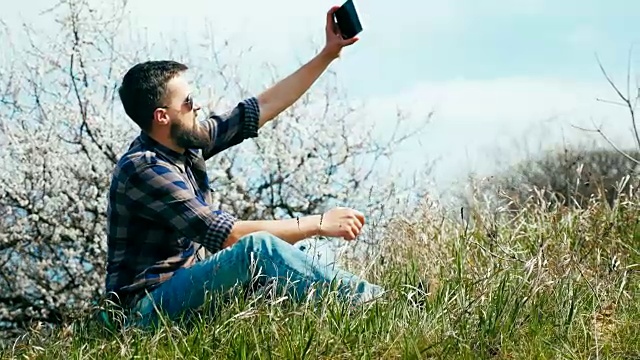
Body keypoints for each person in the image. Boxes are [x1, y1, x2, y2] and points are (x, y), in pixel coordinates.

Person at [104, 6, 384, 328]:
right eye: (188, 101)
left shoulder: (185, 141)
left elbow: (260, 107)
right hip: (145, 311)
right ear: (162, 116)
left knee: (308, 250)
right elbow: (229, 235)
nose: (198, 107)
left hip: (183, 291)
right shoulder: (144, 168)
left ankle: (333, 314)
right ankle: (376, 304)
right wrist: (320, 221)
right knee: (261, 246)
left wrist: (328, 54)